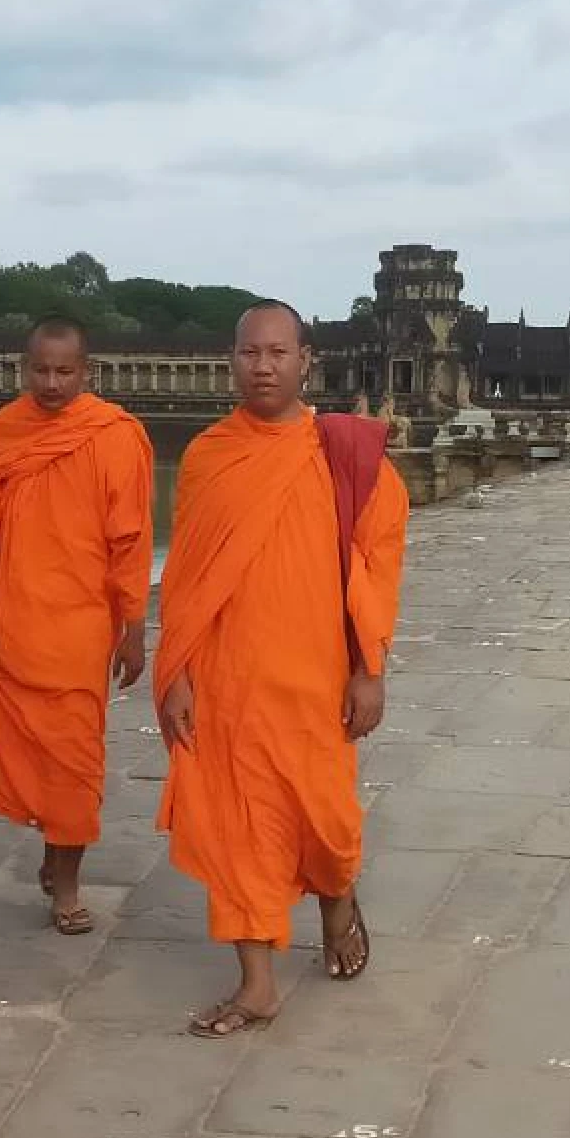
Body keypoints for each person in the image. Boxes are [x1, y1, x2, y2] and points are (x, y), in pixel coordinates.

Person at [155, 301, 408, 1037]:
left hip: (316, 675)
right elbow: (189, 576)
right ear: (230, 361)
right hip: (226, 679)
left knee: (323, 821)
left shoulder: (346, 455)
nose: (262, 367)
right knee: (237, 828)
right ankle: (257, 984)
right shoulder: (208, 456)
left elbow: (377, 564)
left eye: (277, 353)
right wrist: (176, 672)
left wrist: (370, 667)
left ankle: (336, 899)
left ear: (306, 361)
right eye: (248, 353)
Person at [0, 317, 154, 935]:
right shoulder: (6, 429)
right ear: (25, 369)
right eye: (40, 370)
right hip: (13, 618)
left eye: (64, 372)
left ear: (86, 372)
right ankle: (54, 849)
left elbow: (129, 539)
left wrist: (133, 624)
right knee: (29, 753)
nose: (50, 383)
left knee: (74, 760)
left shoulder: (113, 435)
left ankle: (67, 883)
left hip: (78, 626)